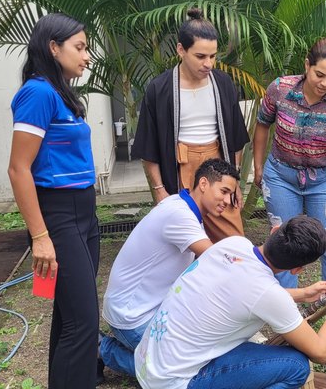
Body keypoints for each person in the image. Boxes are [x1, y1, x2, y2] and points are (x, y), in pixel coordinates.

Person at [134, 215, 326, 389]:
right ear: (297, 269)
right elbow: (321, 352)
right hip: (174, 382)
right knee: (296, 366)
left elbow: (243, 293)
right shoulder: (268, 294)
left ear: (274, 231)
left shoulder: (233, 244)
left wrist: (301, 294)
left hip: (147, 362)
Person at [7, 14, 99, 388]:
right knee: (83, 323)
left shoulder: (60, 93)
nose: (87, 56)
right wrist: (40, 236)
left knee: (70, 316)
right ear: (53, 47)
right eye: (80, 47)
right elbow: (18, 169)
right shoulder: (38, 93)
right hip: (58, 216)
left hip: (84, 214)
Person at [99, 158, 239, 378]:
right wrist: (266, 253)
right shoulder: (179, 215)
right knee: (180, 373)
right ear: (203, 184)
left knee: (199, 349)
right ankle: (102, 349)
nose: (227, 200)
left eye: (231, 195)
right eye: (224, 191)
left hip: (151, 308)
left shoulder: (185, 208)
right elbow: (218, 258)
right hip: (131, 315)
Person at [131, 8, 250, 243]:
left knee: (232, 240)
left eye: (213, 56)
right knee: (185, 244)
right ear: (180, 50)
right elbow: (148, 145)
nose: (208, 63)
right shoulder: (160, 88)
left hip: (219, 167)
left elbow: (236, 138)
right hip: (180, 169)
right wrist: (159, 190)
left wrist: (234, 182)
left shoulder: (223, 84)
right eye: (200, 56)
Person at [253, 37, 326, 288]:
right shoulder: (280, 89)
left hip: (322, 180)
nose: (325, 83)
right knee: (283, 245)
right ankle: (286, 313)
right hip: (280, 176)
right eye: (319, 74)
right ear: (307, 65)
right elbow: (262, 124)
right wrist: (258, 167)